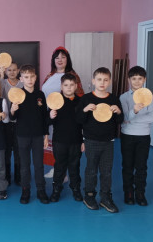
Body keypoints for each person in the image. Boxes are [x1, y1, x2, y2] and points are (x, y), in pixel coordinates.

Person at [76, 67, 123, 213]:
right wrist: (85, 110)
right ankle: (89, 195)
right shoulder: (86, 99)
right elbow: (79, 120)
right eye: (99, 79)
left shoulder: (113, 99)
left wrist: (118, 111)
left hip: (108, 141)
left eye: (105, 80)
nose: (102, 82)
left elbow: (120, 121)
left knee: (106, 171)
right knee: (91, 169)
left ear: (110, 81)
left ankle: (105, 197)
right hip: (91, 140)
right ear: (93, 81)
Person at [42, 46, 84, 179]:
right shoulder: (50, 75)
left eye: (63, 57)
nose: (60, 60)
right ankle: (57, 168)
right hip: (51, 114)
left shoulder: (73, 76)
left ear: (68, 59)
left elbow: (79, 98)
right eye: (57, 57)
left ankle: (64, 173)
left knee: (64, 145)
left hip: (65, 118)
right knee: (54, 144)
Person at [10, 65, 49, 204]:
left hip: (38, 136)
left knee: (39, 165)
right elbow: (13, 117)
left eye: (32, 76)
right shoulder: (17, 94)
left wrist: (46, 135)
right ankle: (25, 190)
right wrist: (13, 109)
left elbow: (45, 117)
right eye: (26, 77)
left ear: (36, 77)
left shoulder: (40, 95)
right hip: (22, 136)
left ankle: (41, 190)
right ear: (21, 79)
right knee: (24, 165)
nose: (30, 79)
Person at [120, 66, 153, 206]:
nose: (136, 81)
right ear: (129, 79)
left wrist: (132, 118)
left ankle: (140, 193)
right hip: (127, 135)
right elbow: (123, 118)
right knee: (127, 165)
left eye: (140, 78)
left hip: (143, 136)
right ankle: (128, 192)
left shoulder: (149, 96)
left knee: (141, 166)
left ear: (144, 80)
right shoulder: (124, 97)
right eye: (133, 78)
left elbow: (152, 117)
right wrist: (134, 111)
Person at [49, 73, 84, 203]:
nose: (69, 87)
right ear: (61, 86)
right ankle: (56, 189)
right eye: (66, 85)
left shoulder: (81, 102)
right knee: (59, 166)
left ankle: (76, 188)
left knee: (74, 166)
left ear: (76, 86)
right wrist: (50, 116)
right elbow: (47, 121)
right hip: (59, 141)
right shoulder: (55, 101)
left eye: (71, 85)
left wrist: (83, 140)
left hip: (76, 141)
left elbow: (84, 123)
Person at [0, 62, 23, 185]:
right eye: (9, 70)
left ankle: (19, 177)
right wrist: (0, 76)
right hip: (6, 122)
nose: (12, 72)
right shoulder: (2, 82)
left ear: (18, 71)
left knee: (19, 151)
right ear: (6, 71)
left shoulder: (22, 84)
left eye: (14, 70)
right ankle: (7, 176)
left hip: (19, 122)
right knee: (6, 151)